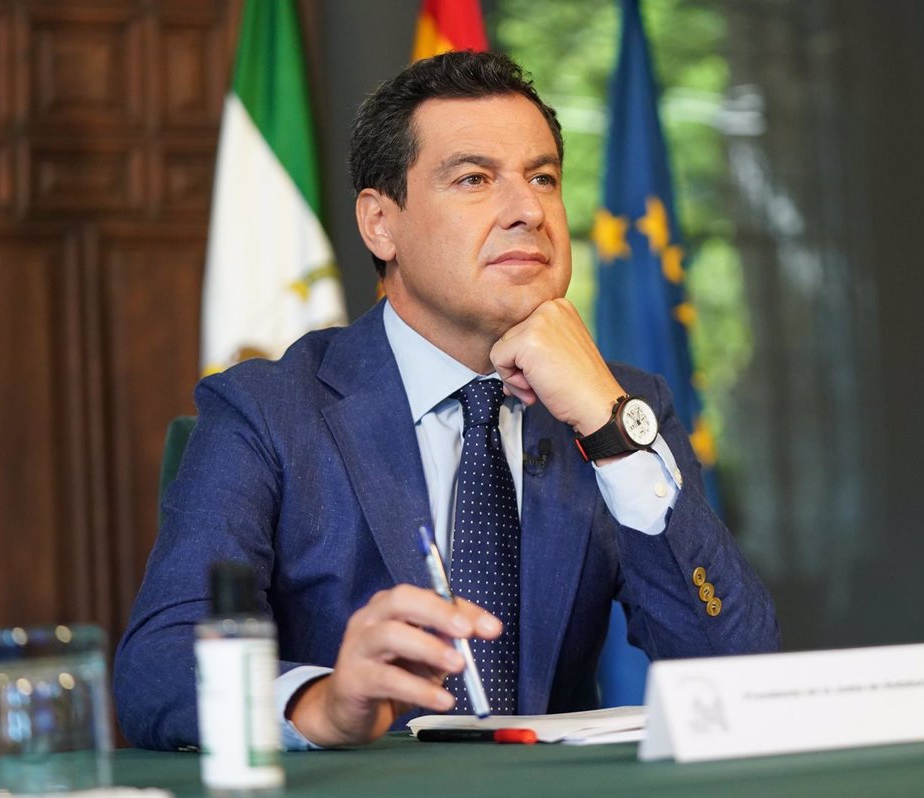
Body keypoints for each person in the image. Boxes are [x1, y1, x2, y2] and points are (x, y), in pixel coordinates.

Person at [114, 50, 778, 751]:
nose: (528, 211)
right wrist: (321, 703)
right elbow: (158, 668)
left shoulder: (621, 406)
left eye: (543, 178)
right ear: (380, 223)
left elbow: (736, 673)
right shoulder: (268, 410)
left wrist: (611, 434)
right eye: (473, 179)